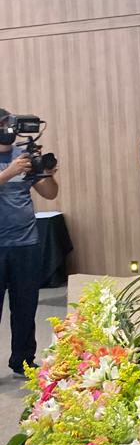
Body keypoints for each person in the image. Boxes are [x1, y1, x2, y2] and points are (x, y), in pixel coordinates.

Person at [0, 109, 59, 376]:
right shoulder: (15, 164)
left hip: (26, 243)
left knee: (25, 305)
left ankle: (23, 360)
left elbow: (49, 193)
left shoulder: (24, 155)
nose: (8, 129)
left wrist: (45, 172)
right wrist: (9, 172)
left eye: (10, 124)